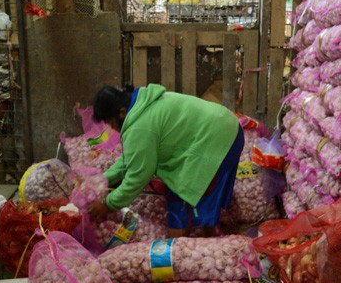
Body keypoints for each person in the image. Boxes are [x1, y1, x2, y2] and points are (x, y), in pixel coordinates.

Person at [87, 83, 244, 237]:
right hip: (225, 126)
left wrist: (107, 204)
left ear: (121, 112)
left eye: (110, 122)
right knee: (200, 201)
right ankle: (208, 240)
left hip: (218, 138)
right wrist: (101, 179)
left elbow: (137, 177)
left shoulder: (139, 125)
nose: (112, 128)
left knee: (180, 196)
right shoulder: (141, 103)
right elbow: (131, 157)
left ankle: (178, 252)